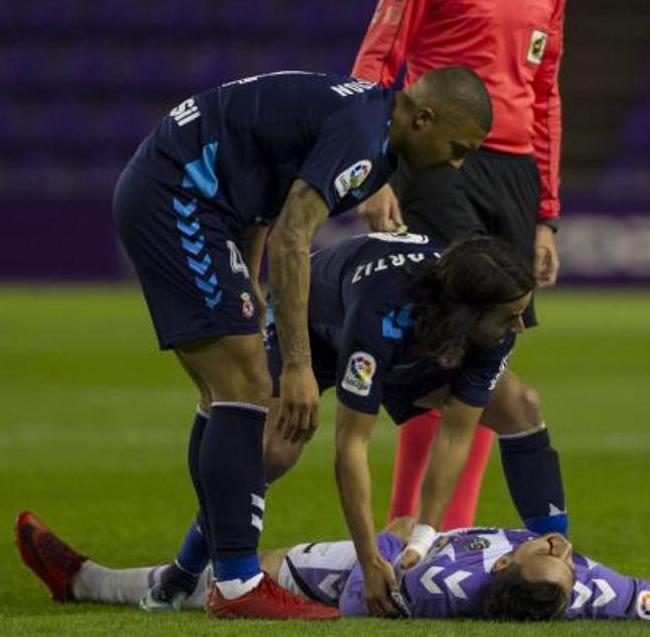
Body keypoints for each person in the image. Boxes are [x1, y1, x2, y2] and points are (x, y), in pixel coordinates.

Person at [111, 67, 490, 619]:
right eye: (458, 148)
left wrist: (251, 287)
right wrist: (297, 363)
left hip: (194, 194)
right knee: (246, 382)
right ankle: (239, 585)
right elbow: (295, 232)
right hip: (180, 193)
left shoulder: (372, 124)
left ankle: (203, 573)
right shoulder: (364, 137)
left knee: (224, 394)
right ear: (423, 117)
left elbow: (266, 198)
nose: (458, 163)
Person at [130, 231, 568, 617]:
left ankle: (563, 551)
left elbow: (455, 431)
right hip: (312, 331)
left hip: (417, 343)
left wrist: (422, 539)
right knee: (273, 453)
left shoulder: (492, 328)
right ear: (470, 313)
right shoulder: (379, 314)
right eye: (508, 316)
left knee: (521, 405)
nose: (519, 326)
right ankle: (183, 573)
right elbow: (351, 445)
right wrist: (370, 559)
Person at [352, 0, 567, 533]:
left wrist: (545, 213)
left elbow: (544, 97)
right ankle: (419, 530)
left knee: (483, 353)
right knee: (449, 346)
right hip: (441, 167)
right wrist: (372, 173)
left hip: (513, 180)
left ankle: (430, 533)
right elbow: (376, 66)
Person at [16, 440, 650, 623]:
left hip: (326, 575)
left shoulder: (444, 587)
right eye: (567, 561)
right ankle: (114, 578)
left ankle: (82, 579)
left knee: (223, 563)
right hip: (376, 559)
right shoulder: (597, 596)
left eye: (549, 554)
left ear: (504, 574)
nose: (564, 548)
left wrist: (404, 540)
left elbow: (377, 588)